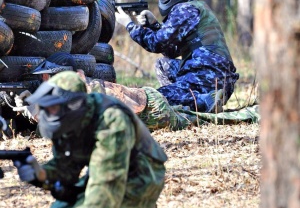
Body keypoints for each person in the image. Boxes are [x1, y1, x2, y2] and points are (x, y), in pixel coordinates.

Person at [13, 71, 169, 208]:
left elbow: (108, 182)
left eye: (53, 108)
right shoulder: (68, 122)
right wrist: (39, 174)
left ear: (73, 104)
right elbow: (66, 168)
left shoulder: (112, 119)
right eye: (46, 109)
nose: (48, 114)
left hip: (140, 177)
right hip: (99, 173)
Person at [115, 0, 239, 113]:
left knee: (155, 98)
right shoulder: (196, 7)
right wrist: (154, 25)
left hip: (207, 78)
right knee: (163, 65)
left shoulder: (185, 9)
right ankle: (185, 100)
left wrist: (129, 24)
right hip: (215, 76)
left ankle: (201, 100)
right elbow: (171, 50)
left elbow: (156, 43)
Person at [14, 52, 194, 131]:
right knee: (186, 112)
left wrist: (35, 114)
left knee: (193, 119)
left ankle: (216, 111)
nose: (44, 81)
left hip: (152, 109)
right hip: (144, 105)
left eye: (46, 77)